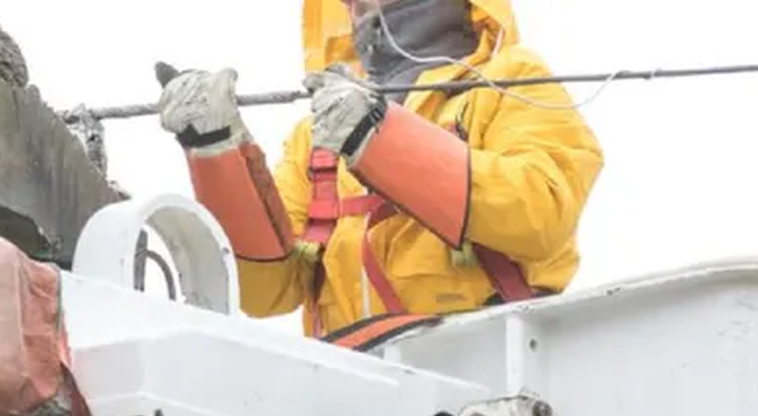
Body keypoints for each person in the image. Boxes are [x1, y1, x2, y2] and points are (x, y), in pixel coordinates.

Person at [157, 0, 604, 337]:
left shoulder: (509, 77)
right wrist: (216, 152)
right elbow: (266, 292)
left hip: (487, 379)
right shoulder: (318, 135)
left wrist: (379, 138)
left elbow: (543, 212)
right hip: (352, 401)